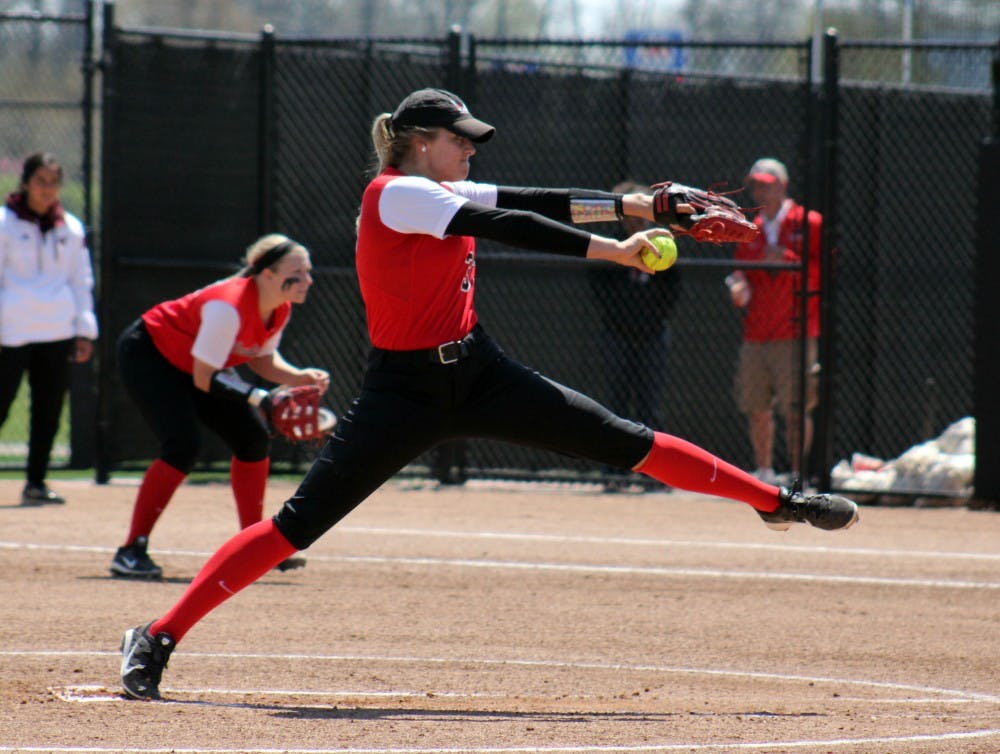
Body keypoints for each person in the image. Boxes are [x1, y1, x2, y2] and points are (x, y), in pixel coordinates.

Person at [118, 88, 858, 700]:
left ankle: (776, 502)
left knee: (623, 438)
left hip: (477, 370)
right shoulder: (396, 194)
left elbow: (547, 198)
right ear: (418, 141)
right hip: (403, 392)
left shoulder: (435, 184)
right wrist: (620, 246)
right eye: (458, 140)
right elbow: (506, 223)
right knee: (297, 524)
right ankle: (156, 637)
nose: (470, 150)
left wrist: (642, 209)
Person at [109, 233, 329, 580]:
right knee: (182, 445)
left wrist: (298, 377)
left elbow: (262, 359)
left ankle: (256, 547)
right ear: (266, 274)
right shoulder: (227, 306)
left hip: (197, 365)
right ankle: (131, 551)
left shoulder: (278, 306)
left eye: (308, 271)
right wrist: (260, 397)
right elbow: (204, 377)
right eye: (297, 272)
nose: (307, 280)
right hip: (150, 355)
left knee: (252, 439)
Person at [0, 152, 97, 506]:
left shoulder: (69, 227)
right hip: (9, 332)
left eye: (53, 182)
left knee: (48, 409)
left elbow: (80, 280)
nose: (47, 189)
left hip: (57, 332)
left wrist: (84, 330)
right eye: (40, 181)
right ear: (25, 183)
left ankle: (36, 482)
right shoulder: (4, 224)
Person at [725, 158, 822, 485]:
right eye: (755, 185)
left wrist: (787, 260)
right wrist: (738, 286)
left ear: (783, 185)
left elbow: (824, 274)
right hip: (756, 332)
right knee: (757, 406)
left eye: (766, 184)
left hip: (795, 331)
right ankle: (764, 472)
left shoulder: (809, 222)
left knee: (797, 407)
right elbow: (741, 272)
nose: (759, 191)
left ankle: (798, 474)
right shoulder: (747, 227)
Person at [588, 181, 681, 492]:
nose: (636, 220)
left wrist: (650, 319)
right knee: (615, 406)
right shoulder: (609, 246)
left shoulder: (663, 244)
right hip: (616, 334)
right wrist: (624, 318)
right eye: (629, 214)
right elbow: (600, 290)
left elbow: (672, 292)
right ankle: (614, 473)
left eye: (641, 214)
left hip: (653, 335)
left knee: (650, 407)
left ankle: (658, 475)